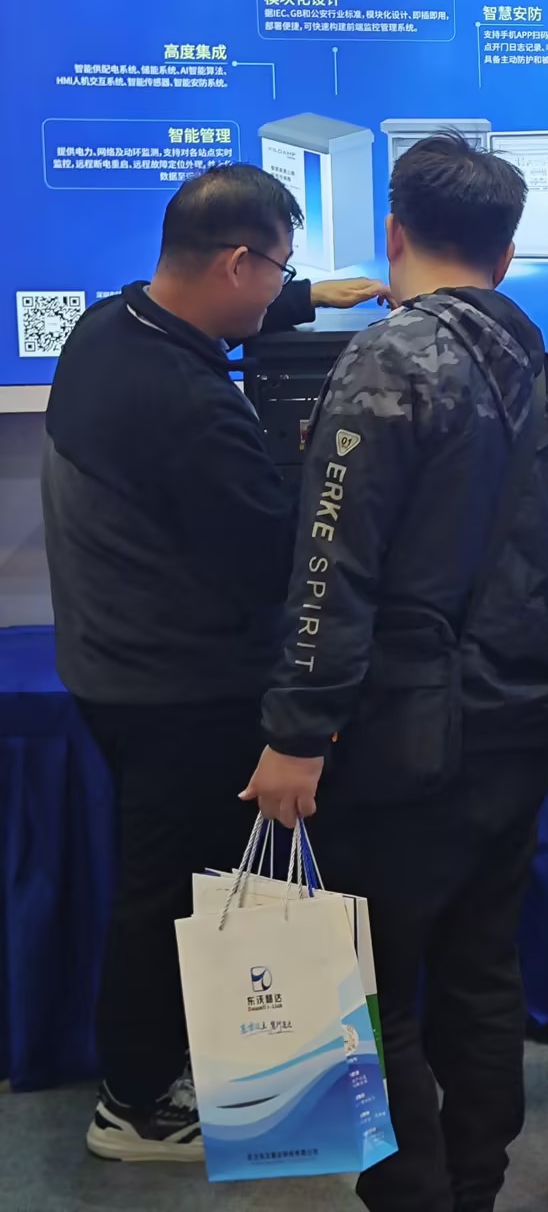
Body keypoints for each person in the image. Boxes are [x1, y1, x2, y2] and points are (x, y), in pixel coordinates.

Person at [243, 132, 548, 1212]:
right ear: (508, 251)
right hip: (519, 711)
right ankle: (473, 1186)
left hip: (409, 730)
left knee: (374, 982)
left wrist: (297, 731)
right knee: (482, 968)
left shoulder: (390, 358)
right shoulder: (533, 360)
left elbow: (333, 561)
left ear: (393, 233)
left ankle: (413, 1195)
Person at [41, 162, 392, 1162]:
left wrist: (308, 297)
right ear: (236, 262)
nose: (279, 287)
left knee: (163, 879)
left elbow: (225, 311)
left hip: (108, 662)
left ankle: (158, 1071)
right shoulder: (189, 406)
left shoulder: (110, 327)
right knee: (171, 894)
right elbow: (276, 560)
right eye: (277, 269)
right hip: (176, 687)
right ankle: (136, 1105)